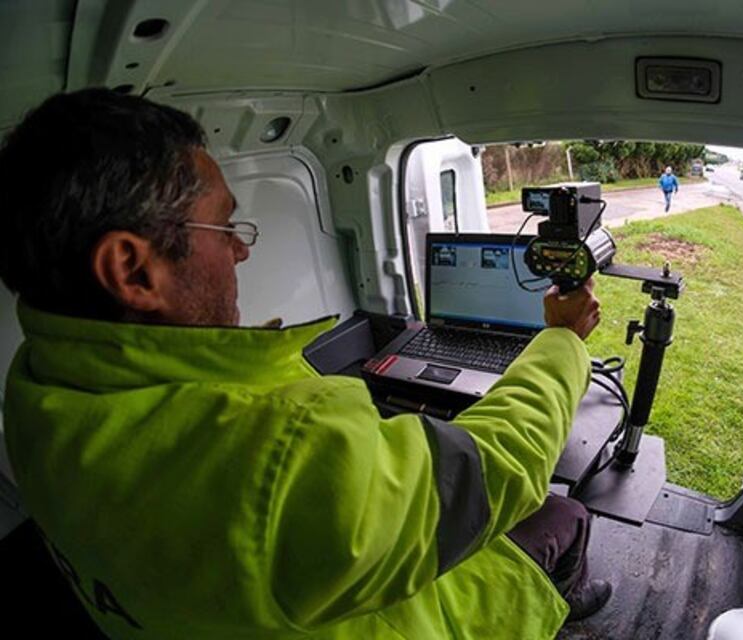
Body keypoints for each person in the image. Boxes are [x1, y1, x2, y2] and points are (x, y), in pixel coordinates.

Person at [0, 89, 610, 639]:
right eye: (224, 225)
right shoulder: (274, 457)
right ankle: (566, 600)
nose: (240, 249)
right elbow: (491, 470)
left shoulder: (37, 395)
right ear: (132, 270)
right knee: (562, 512)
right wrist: (559, 340)